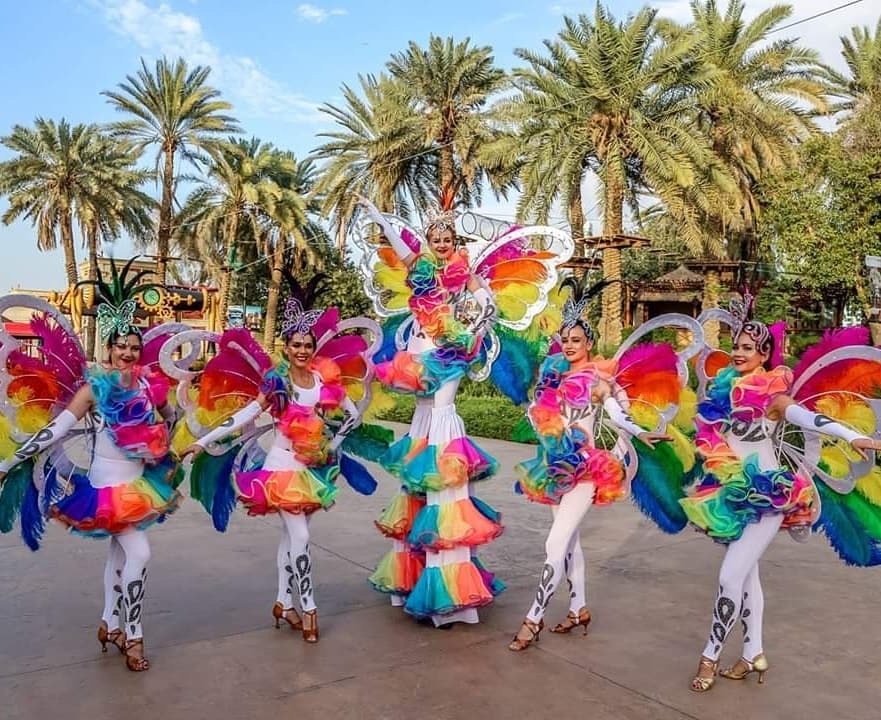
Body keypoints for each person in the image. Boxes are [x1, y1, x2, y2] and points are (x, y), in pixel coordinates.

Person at [684, 294, 881, 692]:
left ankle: (710, 656)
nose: (739, 353)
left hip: (768, 495)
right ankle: (753, 653)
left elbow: (808, 418)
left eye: (748, 348)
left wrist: (852, 436)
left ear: (764, 354)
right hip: (730, 494)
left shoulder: (773, 395)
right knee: (747, 578)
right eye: (736, 345)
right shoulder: (723, 392)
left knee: (730, 576)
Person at [0, 259, 182, 672]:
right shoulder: (93, 390)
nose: (127, 353)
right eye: (121, 346)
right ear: (108, 349)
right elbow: (57, 429)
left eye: (134, 347)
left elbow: (171, 418)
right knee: (139, 553)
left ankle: (109, 624)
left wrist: (163, 439)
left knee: (119, 556)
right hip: (103, 491)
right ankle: (132, 635)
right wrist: (11, 460)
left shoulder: (149, 386)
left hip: (139, 486)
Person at [180, 274, 378, 643]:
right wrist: (203, 441)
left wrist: (333, 443)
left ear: (313, 348)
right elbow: (245, 415)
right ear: (286, 347)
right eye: (296, 344)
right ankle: (309, 607)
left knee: (290, 539)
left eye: (308, 345)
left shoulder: (323, 380)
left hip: (311, 469)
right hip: (281, 468)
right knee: (300, 535)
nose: (302, 350)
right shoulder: (277, 382)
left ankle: (283, 603)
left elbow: (352, 414)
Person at [509, 278, 695, 650]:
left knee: (555, 543)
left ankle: (534, 617)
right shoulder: (554, 376)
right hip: (554, 468)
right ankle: (578, 608)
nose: (569, 345)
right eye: (565, 339)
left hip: (585, 470)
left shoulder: (597, 379)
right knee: (570, 544)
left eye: (576, 340)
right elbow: (541, 414)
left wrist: (639, 433)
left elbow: (616, 413)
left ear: (589, 343)